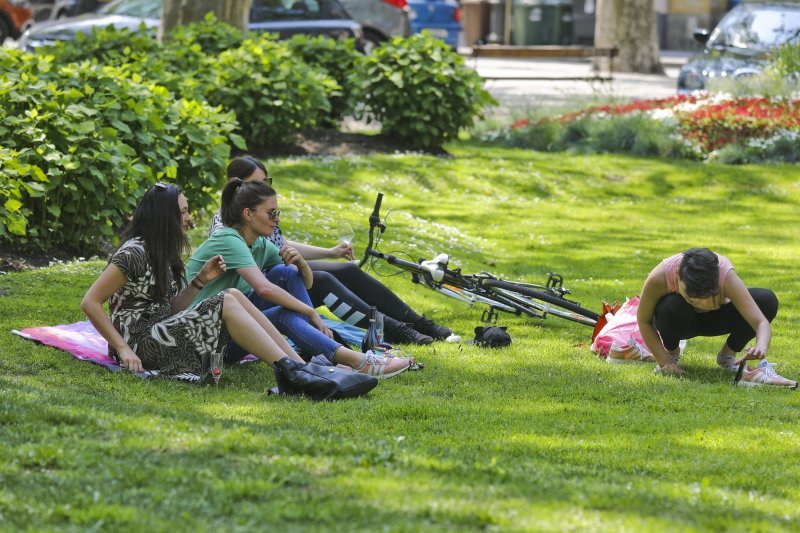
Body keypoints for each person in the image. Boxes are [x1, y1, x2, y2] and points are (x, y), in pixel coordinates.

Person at [80, 183, 345, 395]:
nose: (189, 218)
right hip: (138, 344)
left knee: (232, 295)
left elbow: (169, 309)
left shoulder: (164, 252)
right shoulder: (133, 253)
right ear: (164, 216)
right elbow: (90, 302)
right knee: (226, 300)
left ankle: (299, 369)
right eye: (182, 212)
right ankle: (296, 372)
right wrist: (123, 348)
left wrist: (200, 281)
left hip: (161, 330)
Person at [208, 155, 453, 345]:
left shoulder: (258, 219)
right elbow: (258, 280)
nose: (263, 189)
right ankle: (394, 330)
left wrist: (330, 252)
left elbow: (281, 246)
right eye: (256, 183)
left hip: (277, 279)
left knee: (345, 270)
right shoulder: (228, 227)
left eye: (266, 182)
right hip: (258, 295)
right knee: (323, 280)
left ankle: (418, 323)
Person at [188, 178, 412, 379]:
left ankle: (322, 355)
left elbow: (304, 284)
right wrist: (310, 312)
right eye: (271, 213)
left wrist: (301, 264)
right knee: (283, 315)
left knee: (284, 273)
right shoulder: (229, 240)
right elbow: (264, 289)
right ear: (248, 214)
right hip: (204, 339)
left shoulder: (259, 243)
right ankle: (356, 360)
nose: (277, 219)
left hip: (230, 326)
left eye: (278, 213)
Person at [637, 247, 796, 387]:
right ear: (678, 274)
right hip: (680, 319)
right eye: (692, 297)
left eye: (708, 296)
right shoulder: (660, 276)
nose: (701, 303)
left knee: (766, 299)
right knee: (670, 305)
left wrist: (761, 346)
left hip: (716, 319)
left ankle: (728, 355)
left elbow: (760, 322)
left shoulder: (725, 274)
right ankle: (671, 354)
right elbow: (644, 321)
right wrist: (664, 362)